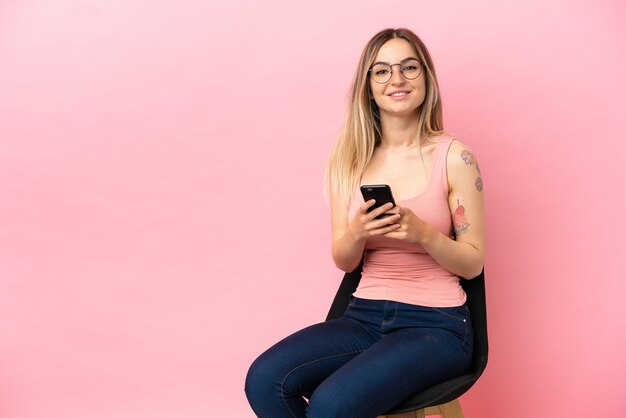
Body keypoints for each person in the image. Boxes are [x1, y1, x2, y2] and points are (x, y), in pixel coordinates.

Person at [245, 27, 485, 418]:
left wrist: (423, 233)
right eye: (382, 71)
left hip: (437, 326)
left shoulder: (455, 157)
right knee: (265, 379)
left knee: (330, 406)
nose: (397, 79)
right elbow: (345, 260)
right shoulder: (349, 161)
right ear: (368, 86)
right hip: (364, 317)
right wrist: (357, 232)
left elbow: (472, 263)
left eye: (409, 67)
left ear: (426, 77)